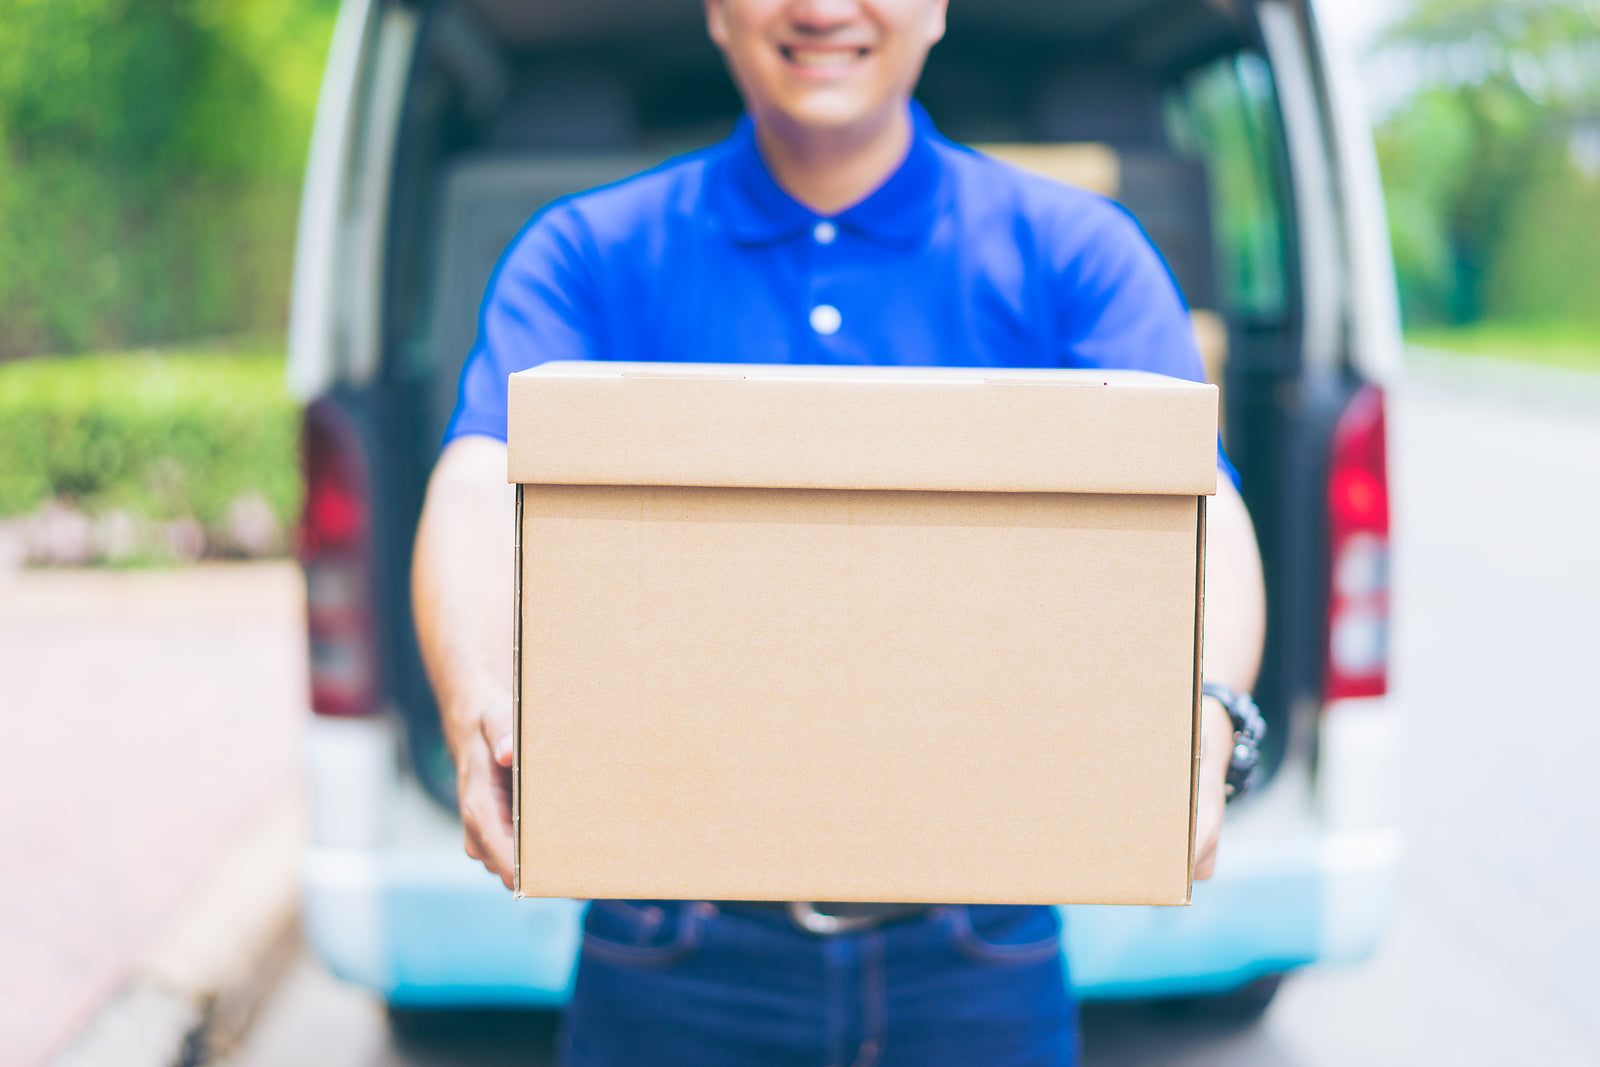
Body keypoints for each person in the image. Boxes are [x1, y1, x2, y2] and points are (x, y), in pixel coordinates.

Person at [412, 0, 1267, 1063]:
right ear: (716, 11)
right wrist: (473, 696)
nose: (821, 7)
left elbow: (1200, 501)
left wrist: (1209, 705)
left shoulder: (1073, 251)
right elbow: (478, 476)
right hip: (668, 939)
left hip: (979, 940)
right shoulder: (588, 252)